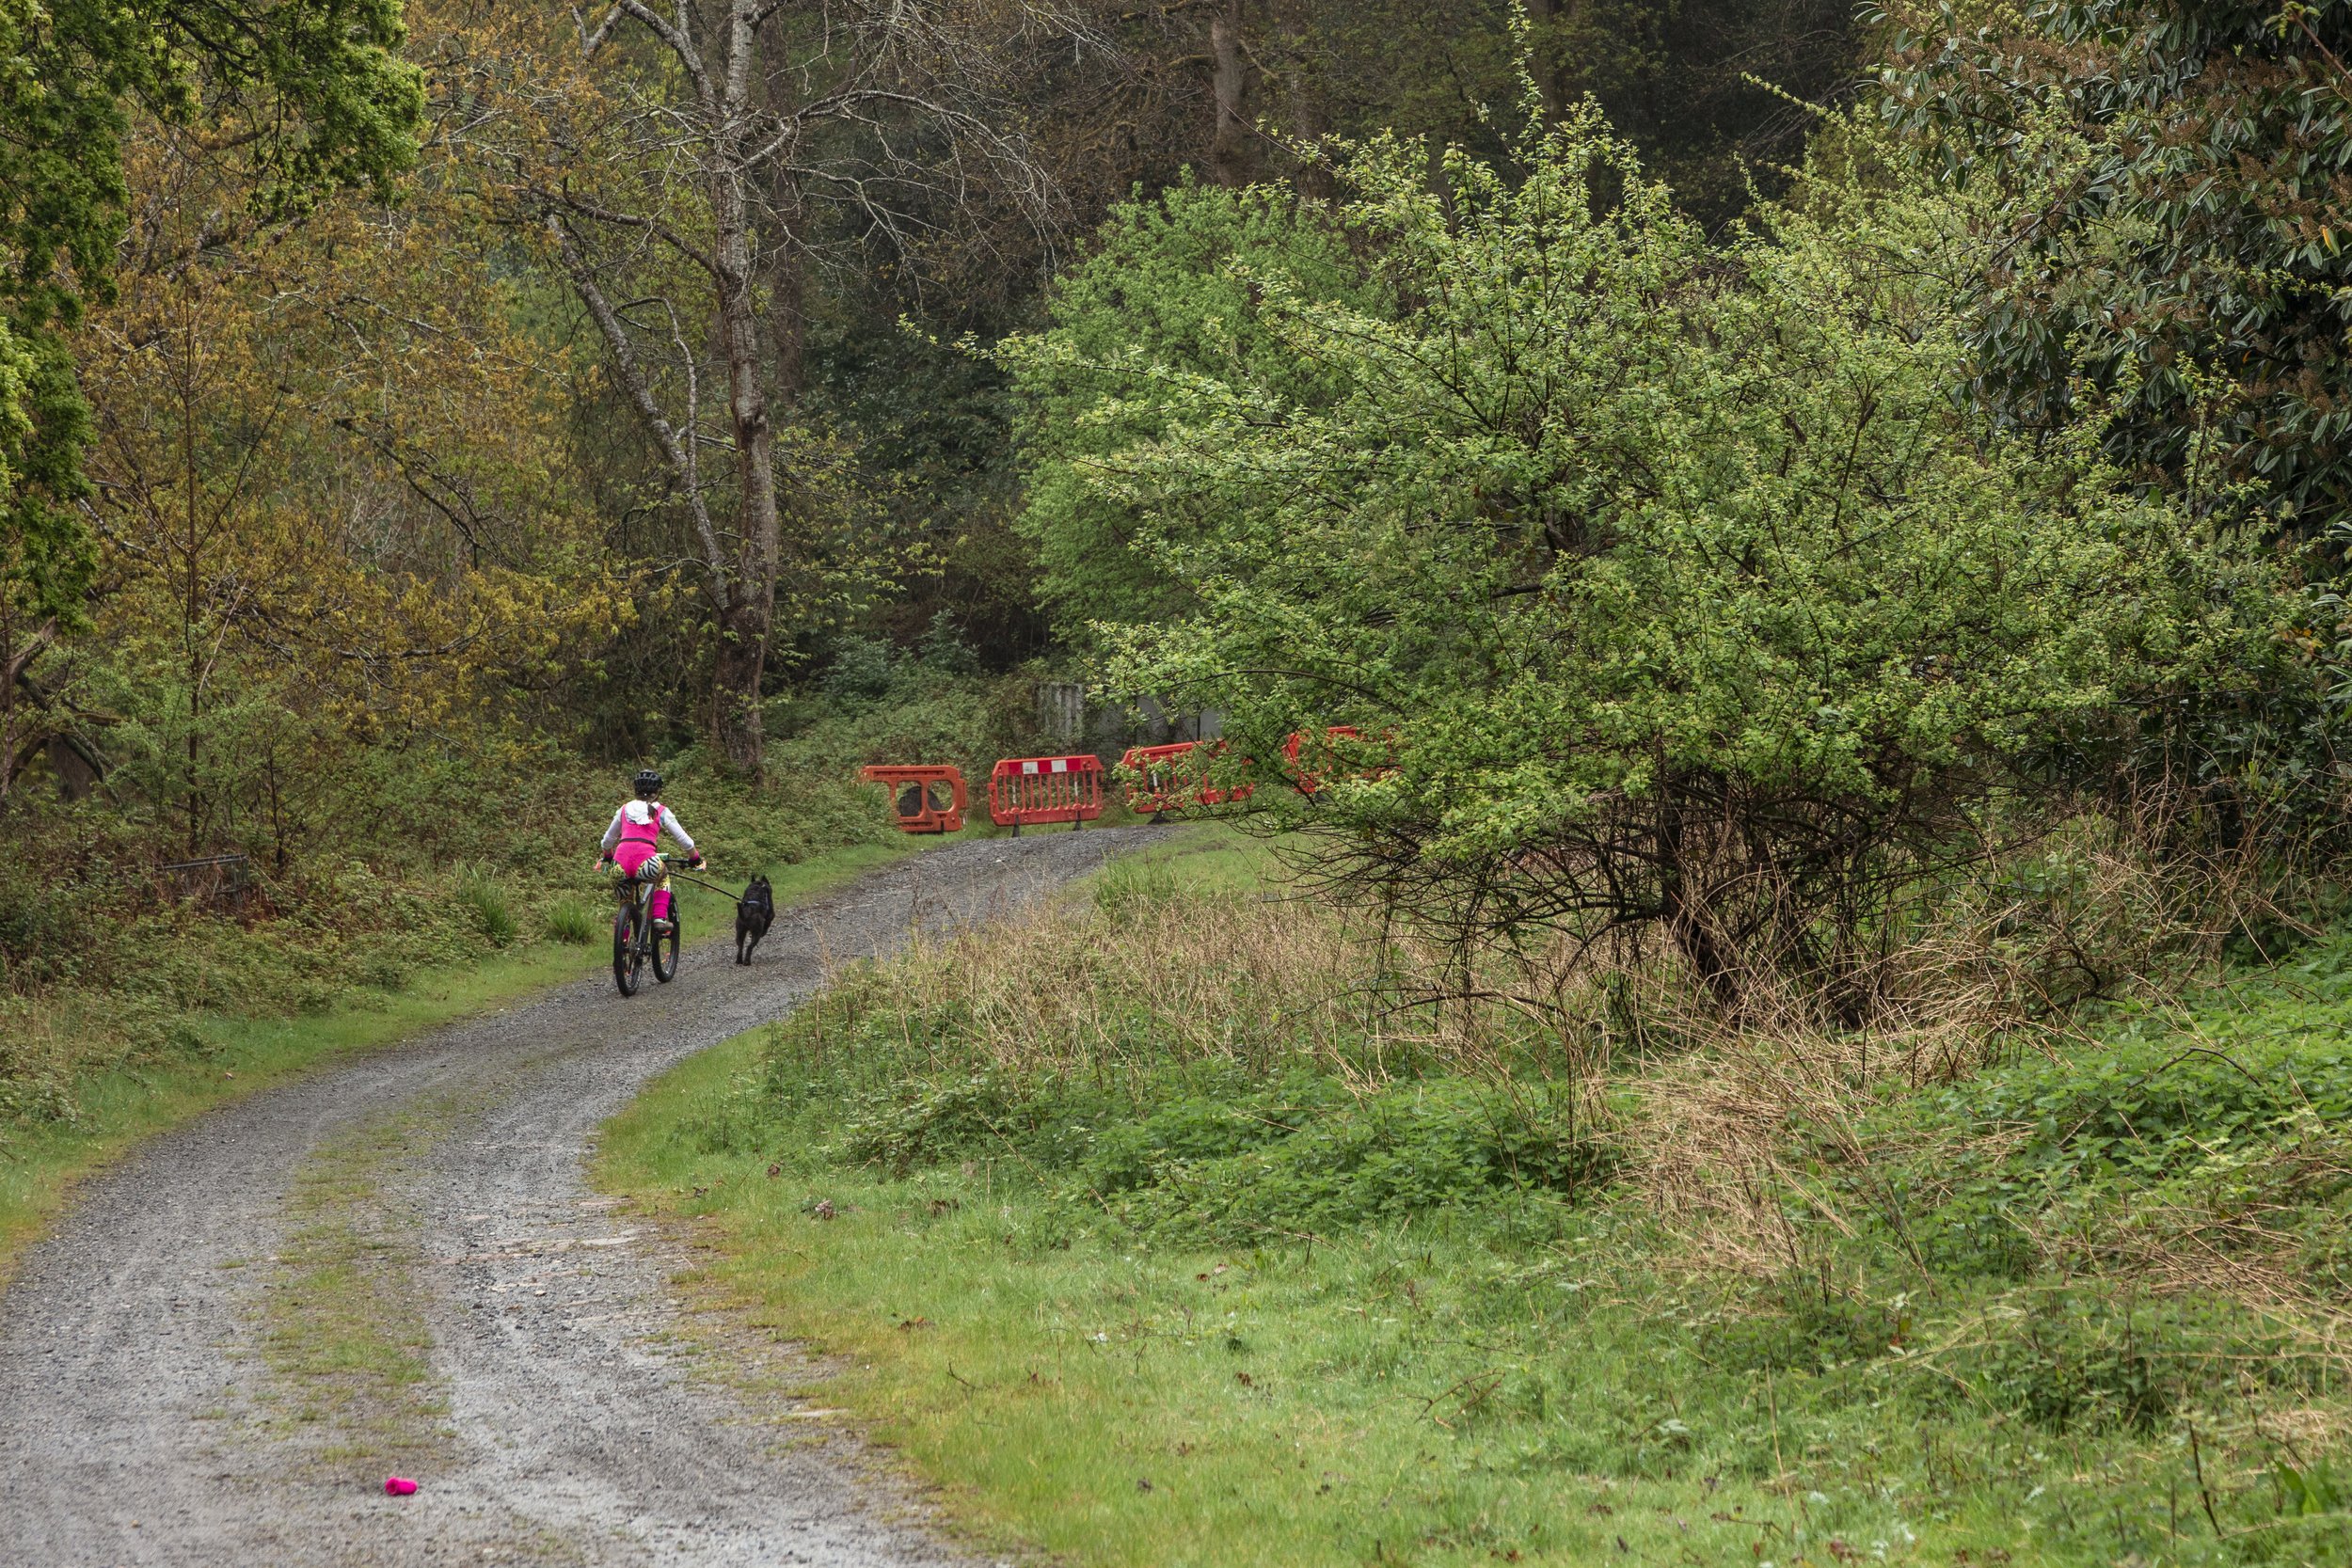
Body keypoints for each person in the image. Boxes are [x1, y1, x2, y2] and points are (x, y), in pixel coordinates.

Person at [599, 769, 702, 931]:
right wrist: (695, 858)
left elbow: (607, 841)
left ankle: (623, 946)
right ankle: (659, 919)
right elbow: (685, 841)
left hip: (619, 865)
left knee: (625, 905)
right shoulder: (660, 811)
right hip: (647, 863)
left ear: (635, 790)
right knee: (663, 877)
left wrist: (607, 856)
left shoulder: (624, 809)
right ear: (658, 791)